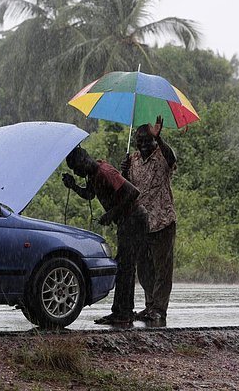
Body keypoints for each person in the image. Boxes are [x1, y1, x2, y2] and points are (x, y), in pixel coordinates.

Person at [62, 146, 148, 325]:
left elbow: (133, 192)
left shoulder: (105, 171)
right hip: (126, 220)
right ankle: (122, 312)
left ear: (84, 161)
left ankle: (123, 313)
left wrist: (112, 214)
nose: (77, 173)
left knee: (125, 267)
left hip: (135, 218)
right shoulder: (93, 175)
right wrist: (74, 186)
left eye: (77, 169)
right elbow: (89, 194)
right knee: (124, 266)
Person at [121, 115, 177, 322]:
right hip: (142, 222)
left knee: (163, 268)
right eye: (140, 141)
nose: (144, 145)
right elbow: (127, 188)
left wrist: (160, 138)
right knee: (144, 268)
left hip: (163, 220)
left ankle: (160, 309)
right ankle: (150, 305)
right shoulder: (133, 159)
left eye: (148, 141)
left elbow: (172, 158)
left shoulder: (162, 156)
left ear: (155, 141)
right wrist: (123, 171)